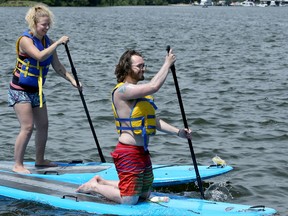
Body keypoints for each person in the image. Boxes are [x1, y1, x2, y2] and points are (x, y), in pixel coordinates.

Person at [76, 49, 192, 205]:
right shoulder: (122, 91)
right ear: (127, 68)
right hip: (128, 152)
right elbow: (154, 86)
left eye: (144, 65)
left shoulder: (139, 93)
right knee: (129, 200)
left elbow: (154, 121)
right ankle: (95, 186)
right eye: (139, 66)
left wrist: (178, 132)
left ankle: (101, 181)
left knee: (144, 194)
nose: (143, 69)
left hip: (142, 152)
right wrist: (167, 64)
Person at [8, 3, 80, 174]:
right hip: (19, 89)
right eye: (43, 25)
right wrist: (58, 43)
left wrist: (72, 80)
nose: (46, 28)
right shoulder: (26, 40)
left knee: (44, 125)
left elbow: (57, 66)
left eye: (48, 25)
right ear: (34, 24)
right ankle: (17, 164)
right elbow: (40, 56)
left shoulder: (48, 41)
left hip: (36, 90)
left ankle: (39, 160)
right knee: (27, 127)